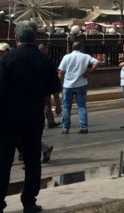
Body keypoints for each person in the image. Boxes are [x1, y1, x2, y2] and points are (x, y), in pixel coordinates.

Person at [0, 21, 61, 213]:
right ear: (35, 38)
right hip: (33, 116)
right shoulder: (44, 60)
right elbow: (51, 89)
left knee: (4, 160)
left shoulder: (7, 59)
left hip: (8, 116)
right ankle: (29, 201)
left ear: (16, 38)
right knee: (32, 159)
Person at [57, 41, 99, 134]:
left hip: (68, 85)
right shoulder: (85, 56)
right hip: (81, 84)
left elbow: (61, 72)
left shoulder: (66, 57)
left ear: (72, 47)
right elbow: (96, 62)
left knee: (66, 107)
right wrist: (90, 71)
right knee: (82, 107)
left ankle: (65, 128)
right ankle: (83, 127)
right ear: (81, 47)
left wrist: (58, 83)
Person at [37, 43, 61, 129]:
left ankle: (50, 121)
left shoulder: (33, 58)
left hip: (36, 88)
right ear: (44, 49)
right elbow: (54, 81)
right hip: (45, 88)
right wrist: (58, 104)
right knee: (45, 104)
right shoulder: (47, 61)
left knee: (47, 104)